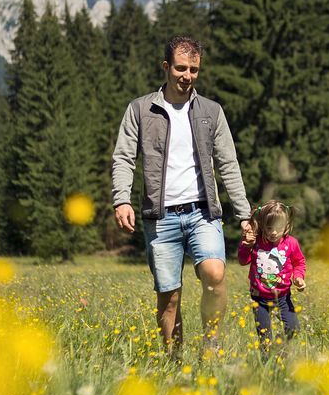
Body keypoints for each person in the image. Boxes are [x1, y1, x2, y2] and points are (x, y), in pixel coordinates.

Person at [112, 36, 253, 356]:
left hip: (203, 212)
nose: (186, 75)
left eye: (193, 69)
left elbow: (229, 164)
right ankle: (174, 362)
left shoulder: (211, 112)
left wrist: (244, 215)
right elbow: (123, 157)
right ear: (166, 67)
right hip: (160, 217)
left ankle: (211, 343)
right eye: (180, 68)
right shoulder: (140, 109)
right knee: (169, 295)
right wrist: (121, 199)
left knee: (215, 274)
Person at [238, 200, 306, 352]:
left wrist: (299, 277)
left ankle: (279, 349)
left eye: (278, 228)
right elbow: (243, 261)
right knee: (264, 338)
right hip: (259, 298)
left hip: (283, 297)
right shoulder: (256, 241)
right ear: (262, 225)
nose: (274, 232)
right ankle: (266, 361)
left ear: (286, 226)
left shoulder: (291, 243)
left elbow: (299, 262)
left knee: (293, 328)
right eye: (269, 228)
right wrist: (246, 246)